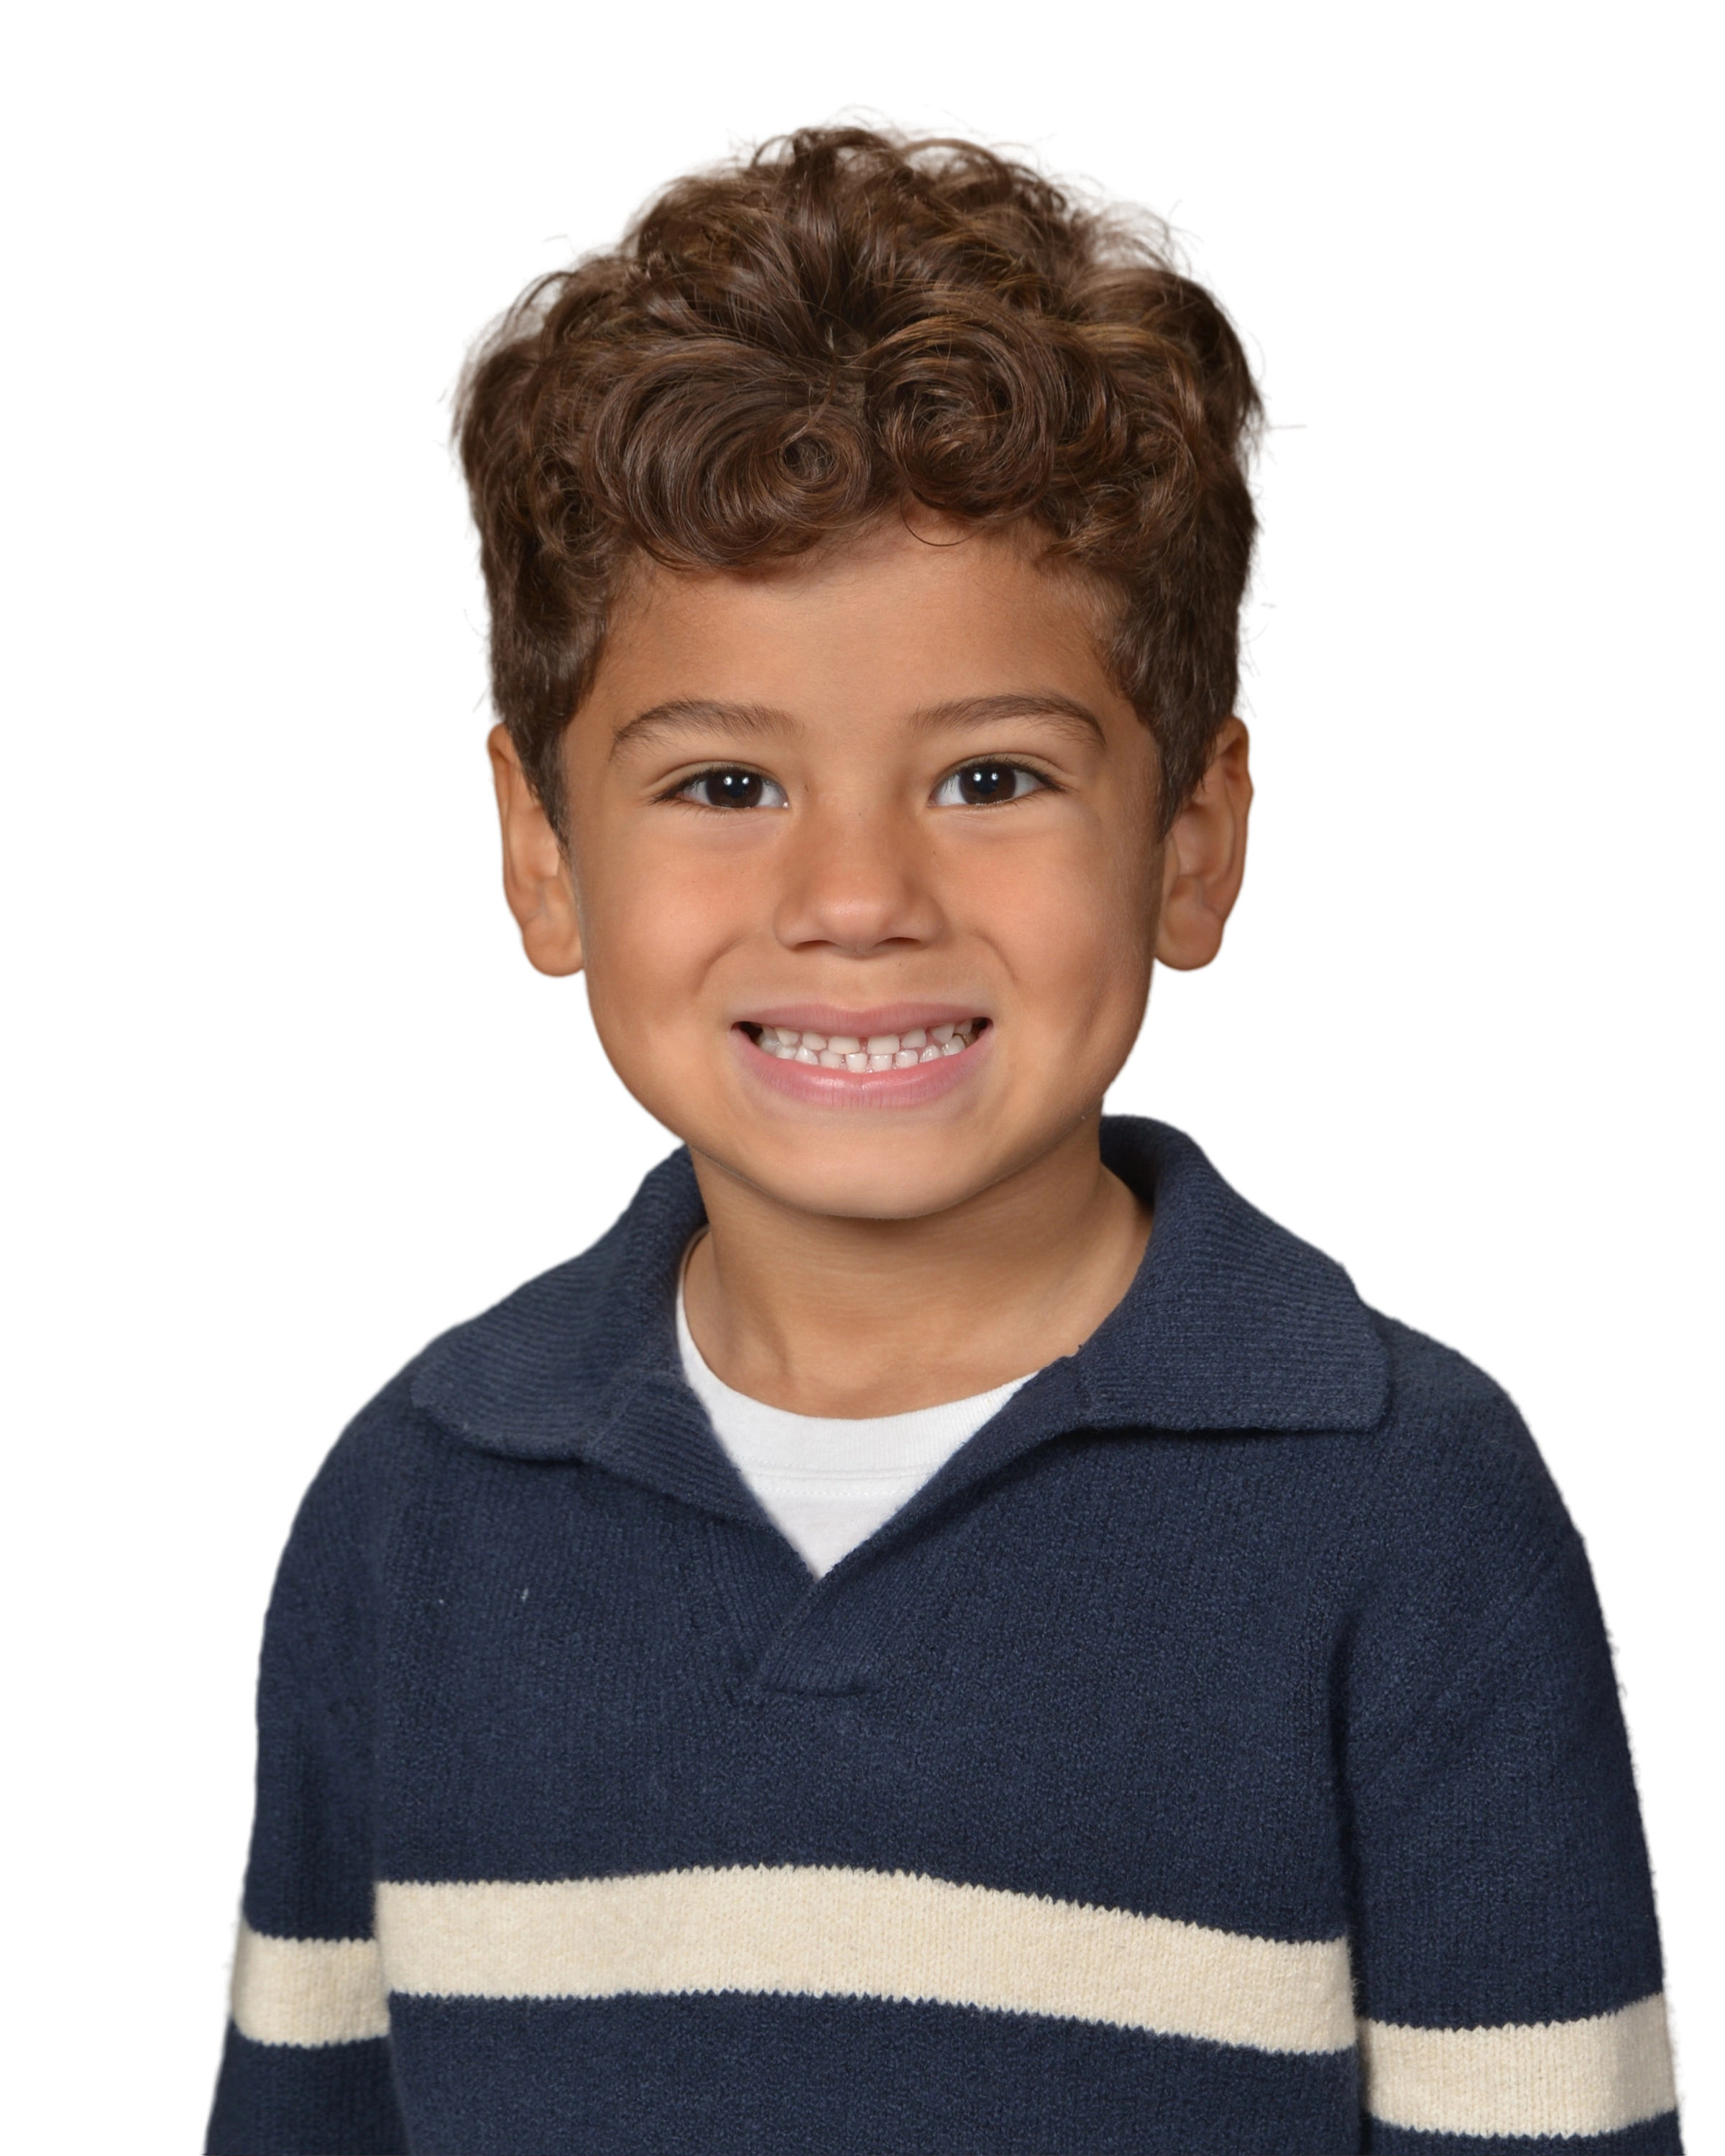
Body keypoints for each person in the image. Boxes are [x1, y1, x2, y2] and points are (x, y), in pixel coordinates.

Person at [200, 100, 1683, 2155]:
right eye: (724, 786)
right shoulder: (413, 1512)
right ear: (538, 852)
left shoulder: (1415, 1520)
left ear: (1193, 839)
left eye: (991, 778)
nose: (856, 896)